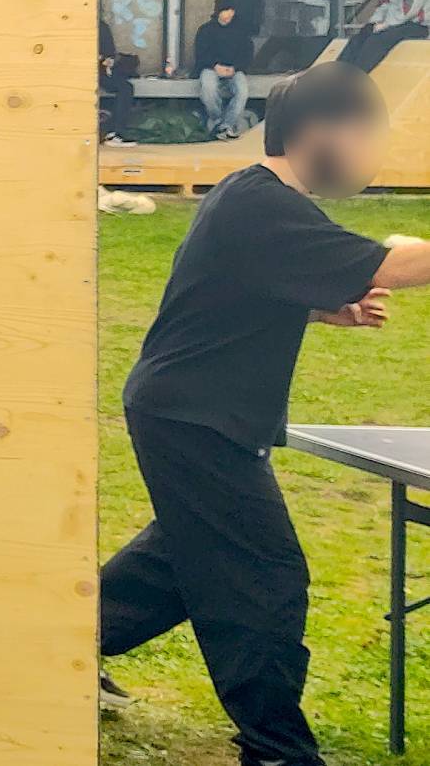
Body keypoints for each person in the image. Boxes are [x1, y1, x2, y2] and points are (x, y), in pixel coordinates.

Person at [101, 62, 430, 766]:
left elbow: (234, 284)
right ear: (320, 133)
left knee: (177, 562)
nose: (371, 152)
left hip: (188, 411)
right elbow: (390, 264)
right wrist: (372, 272)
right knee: (265, 578)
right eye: (365, 133)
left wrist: (321, 305)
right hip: (196, 417)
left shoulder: (252, 199)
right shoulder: (264, 202)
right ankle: (276, 748)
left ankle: (56, 646)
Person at [194, 0, 257, 140]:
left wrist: (235, 68)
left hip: (234, 69)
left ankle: (226, 125)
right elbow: (200, 54)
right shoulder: (206, 30)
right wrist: (215, 66)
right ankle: (217, 120)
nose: (229, 14)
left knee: (242, 91)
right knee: (208, 88)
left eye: (231, 10)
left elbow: (247, 54)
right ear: (218, 12)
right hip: (211, 68)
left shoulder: (241, 31)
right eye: (226, 10)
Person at [101, 18, 140, 144]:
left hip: (99, 70)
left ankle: (115, 132)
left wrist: (106, 60)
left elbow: (109, 53)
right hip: (73, 72)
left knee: (125, 87)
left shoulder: (101, 26)